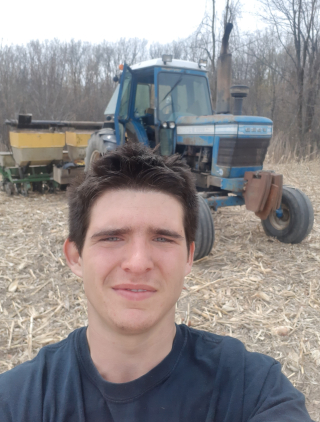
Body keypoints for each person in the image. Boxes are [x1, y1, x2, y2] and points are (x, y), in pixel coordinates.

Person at [0, 142, 313, 422]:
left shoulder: (253, 389)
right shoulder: (18, 402)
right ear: (75, 256)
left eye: (163, 238)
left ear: (189, 257)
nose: (138, 263)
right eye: (111, 237)